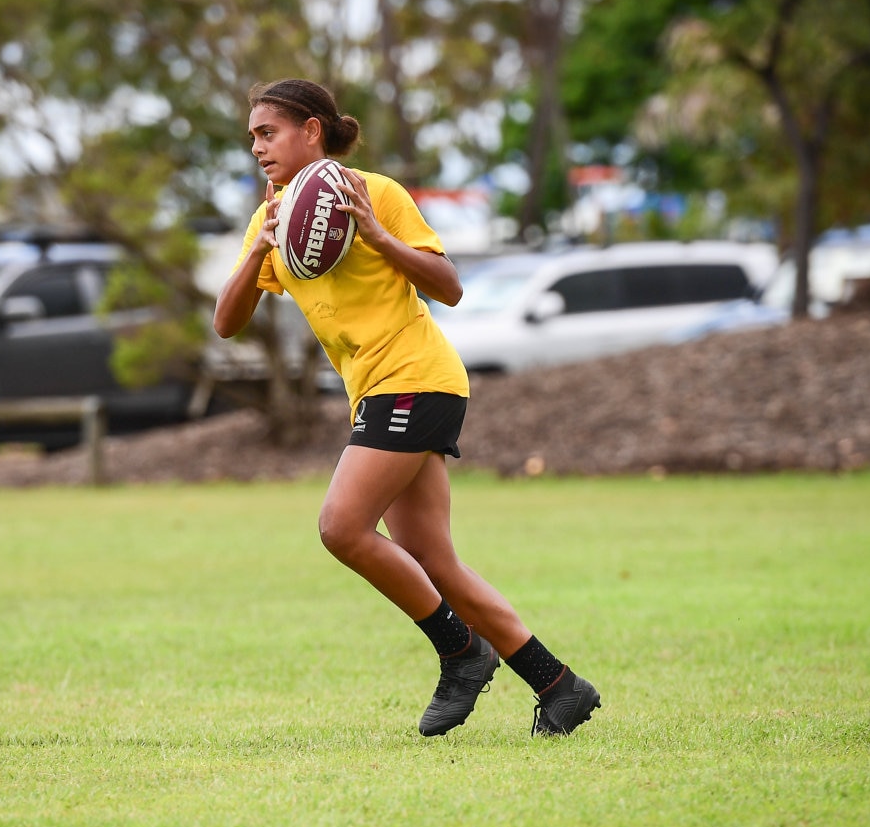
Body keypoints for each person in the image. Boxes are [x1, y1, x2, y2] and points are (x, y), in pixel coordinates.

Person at [214, 78, 600, 738]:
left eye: (267, 132)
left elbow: (448, 286)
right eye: (252, 136)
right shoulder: (271, 219)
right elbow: (227, 323)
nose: (256, 147)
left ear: (312, 129)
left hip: (416, 376)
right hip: (376, 390)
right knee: (434, 562)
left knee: (341, 527)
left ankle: (459, 652)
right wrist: (257, 248)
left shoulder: (377, 193)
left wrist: (375, 235)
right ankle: (557, 684)